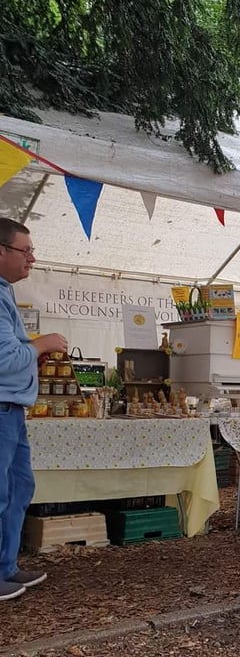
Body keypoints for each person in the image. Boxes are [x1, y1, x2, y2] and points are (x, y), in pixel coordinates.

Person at [0, 218, 69, 601]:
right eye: (25, 251)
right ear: (1, 251)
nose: (32, 259)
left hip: (11, 409)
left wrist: (32, 357)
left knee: (18, 486)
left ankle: (6, 567)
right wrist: (41, 345)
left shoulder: (5, 291)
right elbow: (4, 357)